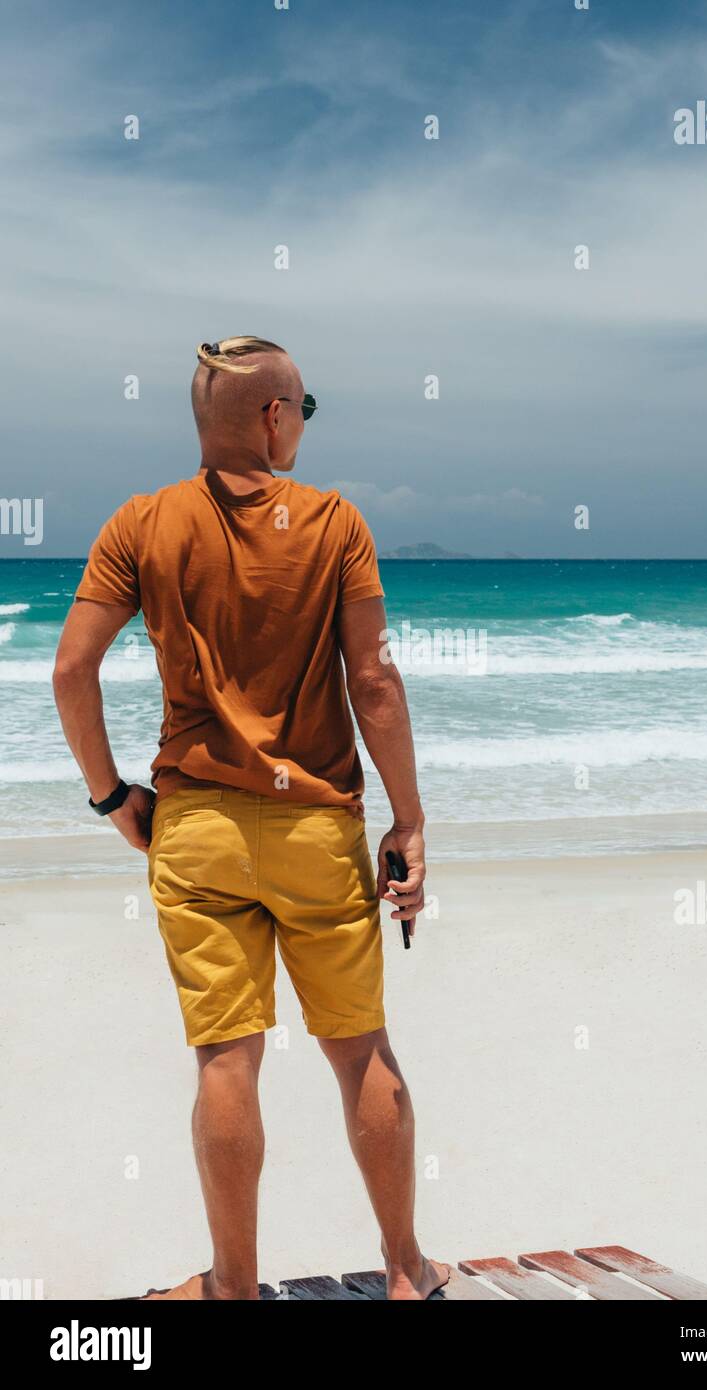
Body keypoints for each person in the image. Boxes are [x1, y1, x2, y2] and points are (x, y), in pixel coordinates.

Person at [53, 335, 448, 1301]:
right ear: (272, 417)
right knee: (359, 1049)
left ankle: (233, 1289)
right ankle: (405, 1273)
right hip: (316, 824)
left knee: (228, 1060)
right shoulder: (336, 523)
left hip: (197, 832)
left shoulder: (141, 524)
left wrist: (112, 797)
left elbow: (70, 669)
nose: (302, 427)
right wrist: (409, 820)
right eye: (303, 410)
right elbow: (375, 681)